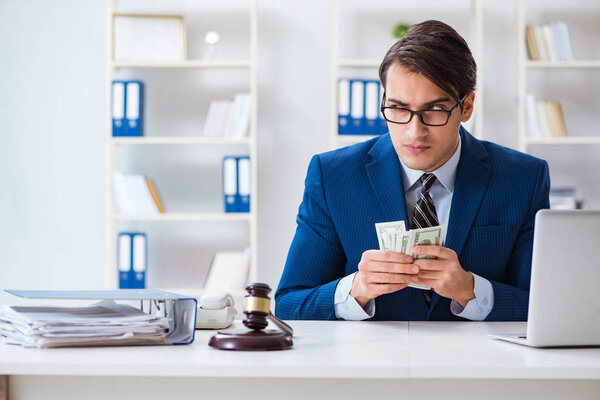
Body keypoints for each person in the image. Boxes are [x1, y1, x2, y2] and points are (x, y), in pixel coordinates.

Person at [274, 20, 550, 322]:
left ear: (467, 106)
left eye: (434, 110)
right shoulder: (333, 176)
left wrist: (471, 290)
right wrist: (356, 289)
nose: (413, 132)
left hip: (477, 365)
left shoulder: (523, 178)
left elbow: (545, 306)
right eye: (398, 109)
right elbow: (289, 302)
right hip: (368, 364)